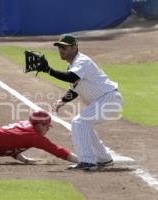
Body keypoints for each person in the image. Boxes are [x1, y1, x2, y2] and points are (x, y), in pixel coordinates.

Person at [40, 34, 123, 170]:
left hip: (109, 99)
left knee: (79, 122)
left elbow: (71, 77)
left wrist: (49, 70)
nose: (61, 50)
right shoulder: (72, 65)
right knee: (85, 125)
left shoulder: (82, 61)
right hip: (104, 100)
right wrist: (62, 101)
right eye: (60, 47)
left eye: (64, 47)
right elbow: (74, 89)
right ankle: (104, 159)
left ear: (74, 47)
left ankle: (87, 162)